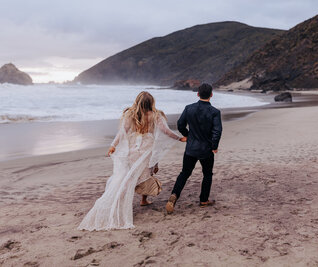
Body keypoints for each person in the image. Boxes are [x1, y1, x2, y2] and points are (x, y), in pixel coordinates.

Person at [78, 91, 186, 231]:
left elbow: (122, 132)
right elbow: (165, 131)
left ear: (137, 101)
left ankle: (127, 201)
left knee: (128, 176)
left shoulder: (131, 114)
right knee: (146, 174)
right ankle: (143, 200)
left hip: (132, 149)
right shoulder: (156, 115)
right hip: (147, 149)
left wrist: (113, 145)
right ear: (151, 102)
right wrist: (179, 138)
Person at [166, 83, 222, 214]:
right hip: (206, 149)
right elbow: (217, 131)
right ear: (211, 95)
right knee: (207, 174)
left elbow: (180, 124)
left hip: (191, 148)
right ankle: (203, 200)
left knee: (184, 173)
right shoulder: (215, 112)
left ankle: (174, 195)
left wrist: (187, 135)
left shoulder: (189, 108)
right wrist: (214, 146)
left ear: (197, 94)